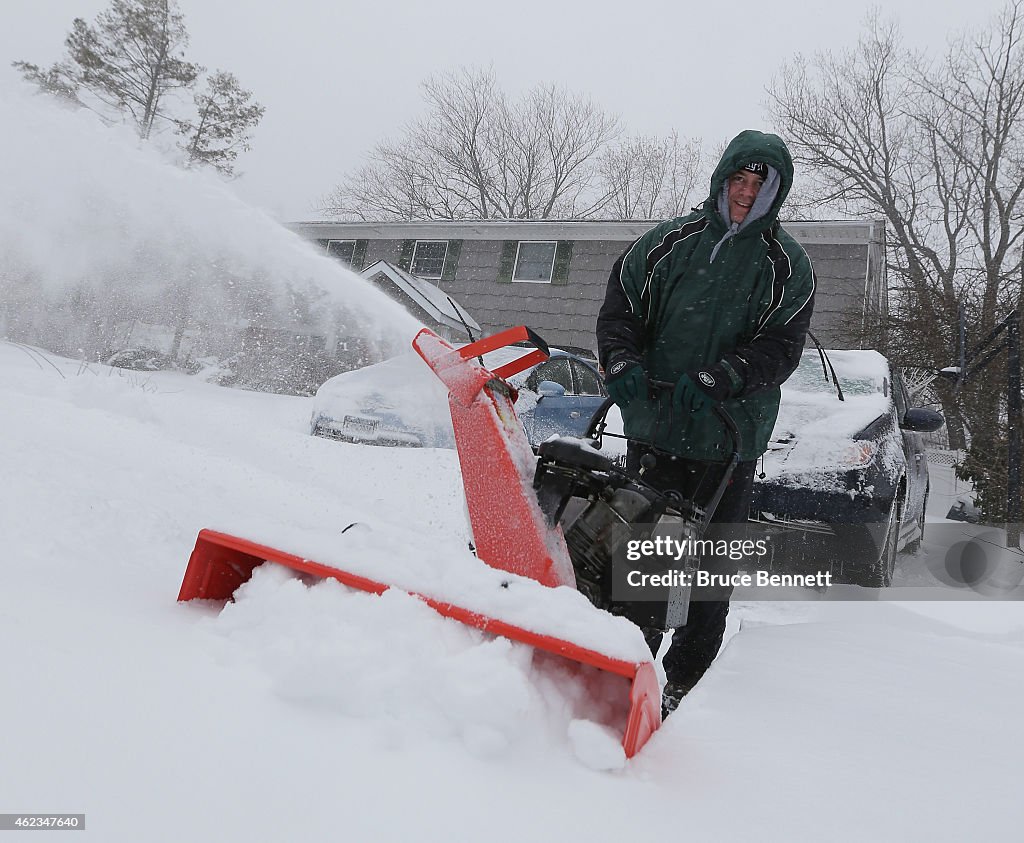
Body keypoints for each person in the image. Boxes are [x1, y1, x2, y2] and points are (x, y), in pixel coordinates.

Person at [596, 129, 816, 713]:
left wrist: (723, 377)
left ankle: (686, 685)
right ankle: (625, 666)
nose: (746, 193)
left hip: (729, 436)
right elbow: (621, 312)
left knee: (709, 567)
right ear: (722, 179)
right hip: (657, 426)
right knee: (641, 559)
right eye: (739, 180)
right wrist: (621, 361)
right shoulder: (669, 242)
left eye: (759, 185)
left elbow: (781, 347)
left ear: (775, 192)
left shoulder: (785, 264)